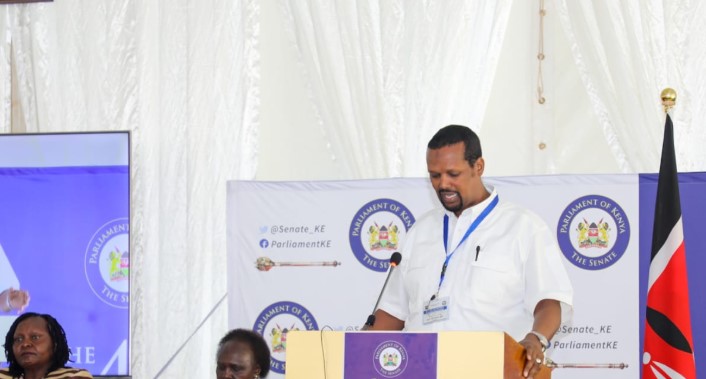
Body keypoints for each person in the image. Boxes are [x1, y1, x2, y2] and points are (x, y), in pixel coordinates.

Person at [368, 125, 574, 378]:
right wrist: (349, 350)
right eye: (434, 176)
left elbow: (550, 300)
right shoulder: (419, 231)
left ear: (479, 166)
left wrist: (536, 338)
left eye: (453, 173)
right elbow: (392, 313)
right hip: (421, 370)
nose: (443, 184)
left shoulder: (523, 227)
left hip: (493, 370)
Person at [1, 312, 93, 379]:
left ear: (55, 344)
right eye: (19, 339)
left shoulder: (74, 376)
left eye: (35, 337)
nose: (25, 344)